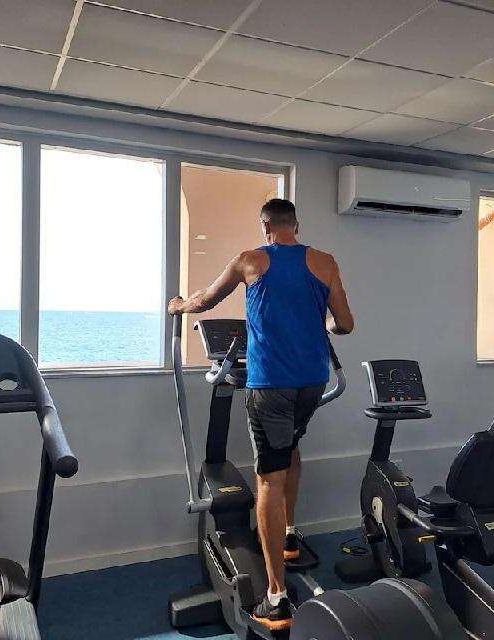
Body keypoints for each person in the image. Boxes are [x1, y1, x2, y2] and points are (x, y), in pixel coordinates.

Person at [168, 198, 354, 630]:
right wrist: (324, 324)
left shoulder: (250, 261)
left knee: (269, 477)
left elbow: (204, 301)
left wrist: (178, 305)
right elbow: (345, 323)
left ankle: (276, 597)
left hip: (271, 385)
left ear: (265, 226)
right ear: (296, 225)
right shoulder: (325, 262)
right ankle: (289, 535)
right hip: (313, 381)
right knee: (290, 448)